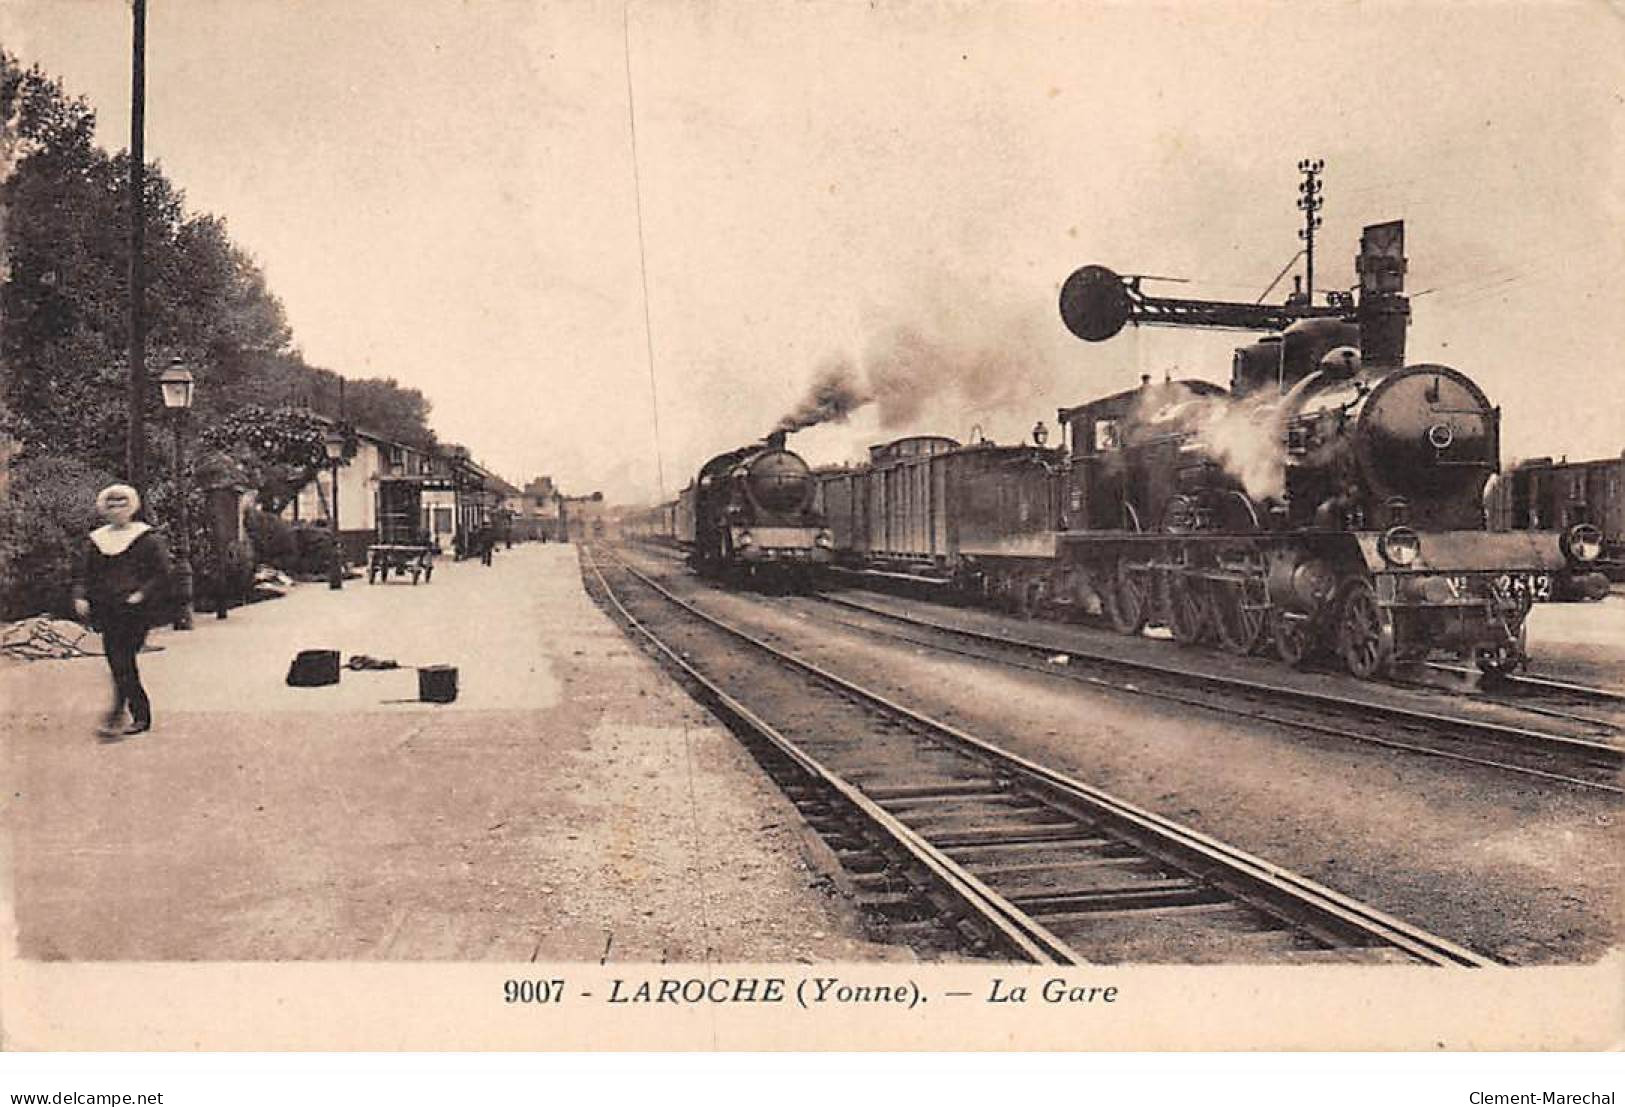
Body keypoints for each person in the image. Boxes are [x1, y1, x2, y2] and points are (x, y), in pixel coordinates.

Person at [71, 484, 171, 740]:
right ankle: (133, 714)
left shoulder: (146, 538)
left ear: (132, 507)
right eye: (111, 506)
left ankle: (123, 715)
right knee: (119, 661)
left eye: (122, 505)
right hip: (108, 608)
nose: (116, 511)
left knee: (122, 660)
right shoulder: (98, 540)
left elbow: (161, 573)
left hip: (137, 610)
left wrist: (142, 594)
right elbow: (84, 573)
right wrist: (80, 596)